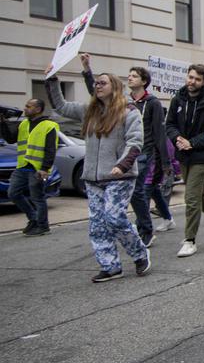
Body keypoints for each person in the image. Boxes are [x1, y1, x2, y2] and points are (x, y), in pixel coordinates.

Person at [46, 66, 150, 282]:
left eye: (103, 82)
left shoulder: (130, 112)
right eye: (96, 83)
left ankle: (139, 253)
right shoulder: (89, 111)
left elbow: (135, 143)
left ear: (115, 87)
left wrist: (122, 165)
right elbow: (60, 106)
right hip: (93, 179)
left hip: (120, 176)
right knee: (97, 224)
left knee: (113, 217)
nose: (98, 85)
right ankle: (110, 266)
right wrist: (52, 78)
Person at [81, 55, 172, 245]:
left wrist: (164, 162)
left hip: (142, 153)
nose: (129, 78)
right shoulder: (123, 103)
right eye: (129, 76)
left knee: (139, 192)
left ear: (144, 81)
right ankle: (164, 217)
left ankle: (145, 231)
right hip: (121, 156)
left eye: (134, 76)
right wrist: (87, 71)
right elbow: (96, 93)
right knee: (146, 191)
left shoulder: (152, 103)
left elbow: (159, 133)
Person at [165, 63, 204, 258]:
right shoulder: (178, 99)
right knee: (198, 196)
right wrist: (177, 138)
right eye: (190, 77)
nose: (192, 81)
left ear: (203, 82)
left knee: (191, 198)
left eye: (197, 79)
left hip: (201, 156)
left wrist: (191, 142)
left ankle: (190, 240)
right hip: (184, 155)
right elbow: (169, 124)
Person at [0, 99, 59, 236]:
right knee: (13, 193)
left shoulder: (49, 125)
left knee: (37, 197)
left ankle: (43, 226)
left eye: (28, 106)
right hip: (22, 166)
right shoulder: (24, 124)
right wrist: (2, 123)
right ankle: (33, 219)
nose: (25, 108)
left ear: (38, 109)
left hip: (37, 168)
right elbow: (10, 139)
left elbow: (51, 149)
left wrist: (45, 168)